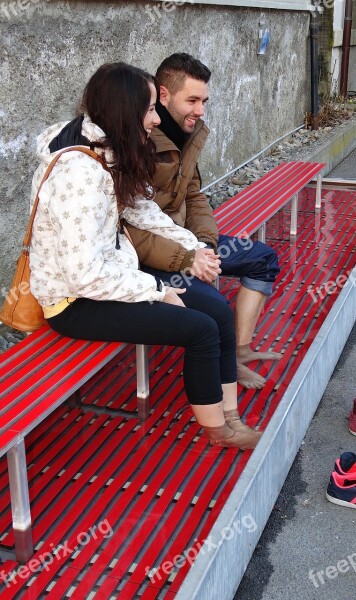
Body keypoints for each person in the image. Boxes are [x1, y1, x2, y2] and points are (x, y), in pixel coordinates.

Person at [29, 62, 261, 450]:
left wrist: (194, 247)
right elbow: (85, 275)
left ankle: (232, 414)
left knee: (217, 310)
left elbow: (141, 210)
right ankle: (219, 432)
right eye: (150, 108)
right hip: (74, 302)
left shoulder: (107, 150)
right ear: (125, 111)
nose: (155, 119)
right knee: (198, 329)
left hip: (114, 275)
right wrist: (154, 288)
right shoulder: (79, 174)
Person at [125, 53, 282, 390]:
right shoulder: (139, 139)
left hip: (187, 242)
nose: (201, 110)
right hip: (150, 255)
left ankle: (238, 353)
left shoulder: (189, 132)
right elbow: (134, 226)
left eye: (204, 100)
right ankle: (222, 393)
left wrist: (207, 245)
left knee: (262, 258)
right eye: (192, 100)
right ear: (163, 96)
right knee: (213, 307)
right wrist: (190, 257)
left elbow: (194, 196)